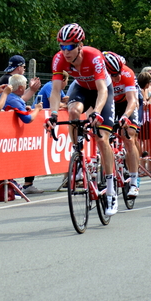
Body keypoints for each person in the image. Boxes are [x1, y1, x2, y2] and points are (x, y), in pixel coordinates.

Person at [45, 23, 118, 216]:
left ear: (79, 45)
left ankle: (111, 189)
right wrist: (52, 115)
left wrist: (97, 112)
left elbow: (102, 90)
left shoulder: (94, 56)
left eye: (69, 46)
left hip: (102, 90)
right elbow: (55, 90)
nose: (65, 51)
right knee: (73, 112)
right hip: (82, 88)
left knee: (102, 139)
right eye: (61, 46)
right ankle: (78, 152)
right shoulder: (59, 59)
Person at [104, 51, 141, 197]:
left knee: (129, 137)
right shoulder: (99, 77)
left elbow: (132, 100)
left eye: (118, 72)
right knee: (103, 137)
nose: (117, 77)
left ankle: (134, 181)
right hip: (110, 103)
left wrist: (126, 116)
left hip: (127, 102)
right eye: (112, 75)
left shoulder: (127, 73)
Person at [2, 74, 44, 194]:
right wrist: (37, 109)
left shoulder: (9, 97)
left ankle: (5, 183)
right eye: (25, 86)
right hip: (7, 136)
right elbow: (28, 119)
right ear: (20, 88)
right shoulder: (14, 99)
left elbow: (20, 110)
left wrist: (25, 109)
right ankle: (8, 183)